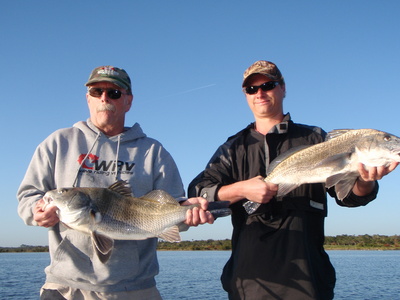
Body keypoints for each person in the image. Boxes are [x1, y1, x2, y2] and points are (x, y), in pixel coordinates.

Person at [188, 60, 399, 300]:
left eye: (268, 85)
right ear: (245, 95)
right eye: (252, 89)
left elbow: (349, 197)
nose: (260, 93)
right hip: (248, 283)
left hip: (311, 284)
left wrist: (366, 181)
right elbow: (198, 191)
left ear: (283, 88)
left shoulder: (316, 138)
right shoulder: (232, 148)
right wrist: (241, 189)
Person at [17, 65, 213, 300]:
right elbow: (28, 196)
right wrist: (35, 210)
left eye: (114, 93)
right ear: (87, 99)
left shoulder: (153, 152)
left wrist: (187, 214)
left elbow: (173, 208)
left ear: (128, 101)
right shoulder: (58, 143)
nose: (104, 98)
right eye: (96, 91)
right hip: (65, 288)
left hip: (136, 289)